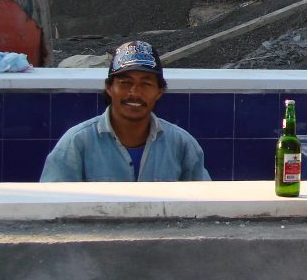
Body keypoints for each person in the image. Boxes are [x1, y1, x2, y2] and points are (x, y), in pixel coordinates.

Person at [41, 40, 210, 182]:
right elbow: (49, 207)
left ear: (159, 92)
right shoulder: (76, 143)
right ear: (109, 88)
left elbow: (205, 205)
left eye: (146, 84)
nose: (135, 93)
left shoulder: (182, 145)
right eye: (125, 83)